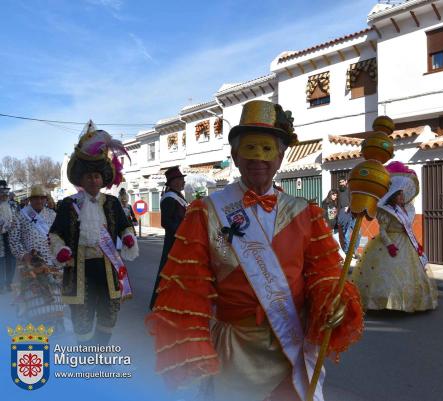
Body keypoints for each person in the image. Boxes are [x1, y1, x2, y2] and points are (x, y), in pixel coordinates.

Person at [146, 100, 363, 401]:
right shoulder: (206, 213)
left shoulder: (305, 213)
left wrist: (330, 297)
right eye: (249, 148)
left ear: (281, 156)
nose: (258, 157)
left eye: (266, 148)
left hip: (290, 349)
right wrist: (192, 348)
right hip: (233, 353)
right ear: (235, 156)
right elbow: (188, 288)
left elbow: (322, 273)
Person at [49, 121, 139, 346]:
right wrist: (61, 250)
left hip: (107, 267)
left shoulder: (112, 202)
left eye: (97, 176)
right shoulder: (68, 204)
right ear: (81, 179)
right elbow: (55, 233)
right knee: (82, 314)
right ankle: (86, 354)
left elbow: (124, 225)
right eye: (88, 176)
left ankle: (101, 349)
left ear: (103, 179)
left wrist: (128, 236)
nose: (93, 180)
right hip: (79, 270)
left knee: (109, 312)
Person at [351, 161, 438, 312]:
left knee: (410, 274)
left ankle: (410, 302)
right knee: (388, 274)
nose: (401, 196)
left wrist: (416, 245)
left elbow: (408, 228)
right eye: (399, 194)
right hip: (388, 243)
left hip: (406, 243)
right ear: (393, 196)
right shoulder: (386, 211)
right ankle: (385, 302)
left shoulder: (407, 209)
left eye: (402, 194)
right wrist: (389, 244)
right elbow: (383, 230)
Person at [9, 185, 64, 330]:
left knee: (56, 295)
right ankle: (36, 330)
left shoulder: (53, 215)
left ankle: (57, 326)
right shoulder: (20, 216)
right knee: (34, 298)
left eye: (41, 198)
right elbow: (14, 240)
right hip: (31, 264)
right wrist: (24, 255)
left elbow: (60, 237)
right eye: (35, 198)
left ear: (45, 199)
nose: (39, 201)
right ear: (29, 200)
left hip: (52, 262)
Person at [148, 166, 188, 310]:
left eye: (183, 179)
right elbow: (166, 222)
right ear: (173, 182)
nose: (183, 182)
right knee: (169, 270)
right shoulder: (169, 198)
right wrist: (181, 232)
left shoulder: (178, 196)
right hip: (174, 240)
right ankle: (160, 301)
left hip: (181, 239)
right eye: (180, 180)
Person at [0, 180, 17, 293]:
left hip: (11, 237)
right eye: (2, 192)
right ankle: (1, 284)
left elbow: (17, 219)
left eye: (6, 192)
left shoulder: (13, 205)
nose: (5, 194)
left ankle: (9, 282)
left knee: (11, 260)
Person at [337, 179, 360, 258]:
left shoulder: (350, 191)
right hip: (344, 215)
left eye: (342, 182)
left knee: (359, 233)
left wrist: (349, 207)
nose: (341, 183)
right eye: (340, 182)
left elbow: (353, 200)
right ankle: (348, 252)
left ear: (346, 182)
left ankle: (354, 250)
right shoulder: (338, 192)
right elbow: (338, 205)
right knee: (346, 235)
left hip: (353, 214)